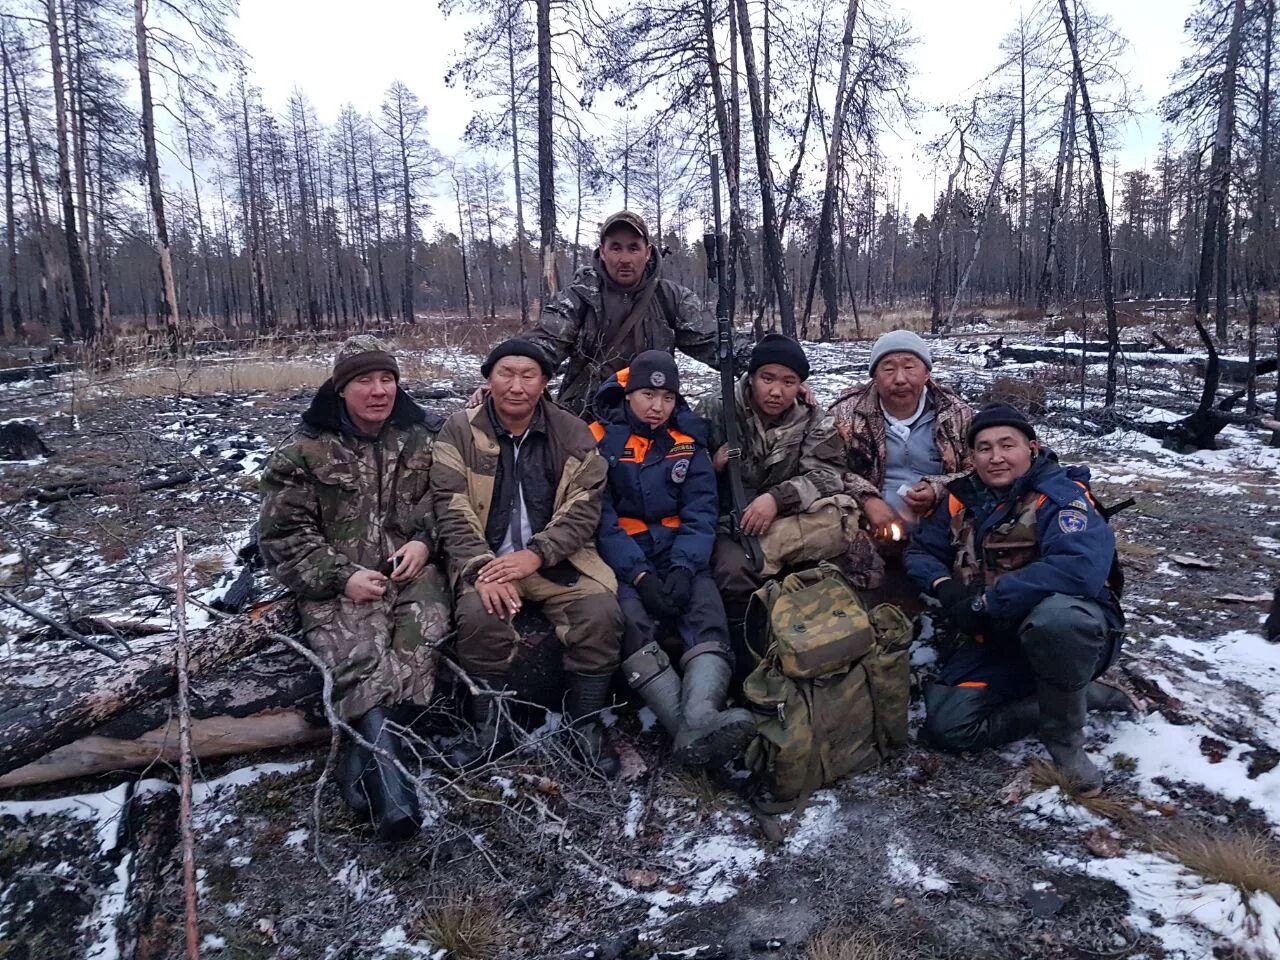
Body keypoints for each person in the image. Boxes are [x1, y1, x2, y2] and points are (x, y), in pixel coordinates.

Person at [259, 335, 449, 841]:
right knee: (358, 651)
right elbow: (282, 538)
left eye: (387, 379)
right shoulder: (303, 452)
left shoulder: (422, 437)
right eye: (365, 380)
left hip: (411, 573)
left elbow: (447, 506)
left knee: (420, 638)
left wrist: (425, 545)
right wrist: (342, 576)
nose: (379, 390)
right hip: (337, 582)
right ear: (341, 388)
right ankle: (393, 794)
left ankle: (356, 762)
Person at [904, 403, 1129, 796]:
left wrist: (990, 600)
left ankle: (1065, 743)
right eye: (984, 448)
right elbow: (919, 552)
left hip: (1070, 635)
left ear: (1032, 448)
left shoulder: (1061, 498)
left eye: (1007, 445)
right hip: (995, 638)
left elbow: (1079, 569)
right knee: (949, 728)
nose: (996, 457)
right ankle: (1072, 696)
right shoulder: (960, 499)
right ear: (971, 457)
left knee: (1059, 620)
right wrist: (945, 586)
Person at [430, 338, 624, 776]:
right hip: (486, 562)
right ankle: (491, 730)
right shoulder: (460, 430)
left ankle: (584, 723)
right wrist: (482, 568)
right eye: (505, 373)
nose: (516, 386)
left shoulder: (572, 432)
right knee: (481, 617)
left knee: (600, 612)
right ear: (489, 379)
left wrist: (538, 554)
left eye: (528, 375)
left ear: (544, 382)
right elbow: (449, 504)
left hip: (558, 561)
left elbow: (584, 506)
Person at [590, 350, 756, 768]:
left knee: (705, 607)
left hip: (679, 548)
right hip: (624, 556)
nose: (656, 407)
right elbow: (600, 520)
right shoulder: (598, 440)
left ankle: (699, 717)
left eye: (666, 398)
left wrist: (684, 566)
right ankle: (686, 730)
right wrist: (640, 574)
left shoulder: (687, 440)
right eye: (647, 395)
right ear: (629, 395)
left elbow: (701, 511)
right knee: (631, 618)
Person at [698, 334, 871, 624]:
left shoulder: (813, 418)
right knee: (734, 572)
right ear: (751, 377)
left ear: (800, 385)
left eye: (788, 382)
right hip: (727, 523)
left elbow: (828, 475)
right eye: (768, 378)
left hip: (785, 519)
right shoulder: (716, 408)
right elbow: (679, 462)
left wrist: (778, 498)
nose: (776, 391)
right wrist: (711, 465)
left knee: (841, 518)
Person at [522, 211, 724, 417]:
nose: (625, 259)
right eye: (616, 248)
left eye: (634, 248)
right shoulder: (580, 297)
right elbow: (543, 343)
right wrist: (510, 369)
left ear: (647, 252)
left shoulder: (671, 298)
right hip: (587, 422)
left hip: (652, 420)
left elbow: (716, 343)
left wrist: (756, 365)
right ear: (602, 251)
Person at [829, 331, 972, 611]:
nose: (900, 378)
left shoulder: (956, 414)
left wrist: (936, 488)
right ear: (874, 375)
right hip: (870, 525)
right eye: (889, 367)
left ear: (927, 372)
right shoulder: (846, 412)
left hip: (940, 527)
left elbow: (978, 470)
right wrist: (868, 500)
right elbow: (827, 468)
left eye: (909, 366)